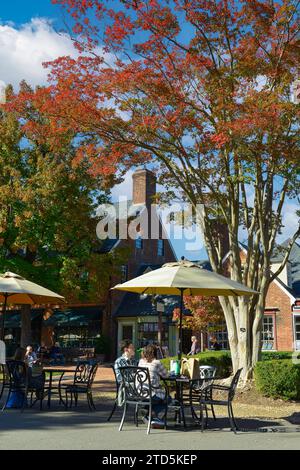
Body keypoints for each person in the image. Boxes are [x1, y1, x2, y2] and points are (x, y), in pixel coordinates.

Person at [138, 344, 171, 428]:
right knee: (168, 399)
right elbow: (166, 375)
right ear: (154, 353)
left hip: (140, 392)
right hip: (151, 393)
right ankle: (151, 414)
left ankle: (149, 413)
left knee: (159, 398)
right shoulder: (156, 362)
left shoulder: (140, 362)